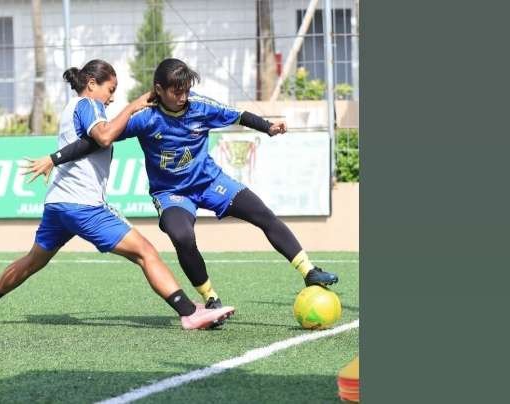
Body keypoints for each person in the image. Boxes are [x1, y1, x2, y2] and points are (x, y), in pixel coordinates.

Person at [26, 58, 338, 315]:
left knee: (262, 214)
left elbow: (238, 115)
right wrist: (55, 159)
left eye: (186, 91)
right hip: (171, 194)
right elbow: (95, 141)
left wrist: (268, 127)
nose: (183, 97)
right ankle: (210, 297)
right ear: (158, 90)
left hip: (210, 182)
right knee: (182, 236)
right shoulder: (144, 119)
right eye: (176, 92)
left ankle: (309, 270)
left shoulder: (201, 107)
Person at [0, 59, 235, 330]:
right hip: (85, 205)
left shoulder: (70, 108)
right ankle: (189, 313)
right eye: (110, 89)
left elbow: (87, 143)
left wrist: (53, 158)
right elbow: (104, 136)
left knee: (33, 260)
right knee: (145, 252)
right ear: (92, 84)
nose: (112, 97)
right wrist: (132, 107)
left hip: (58, 203)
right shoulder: (88, 104)